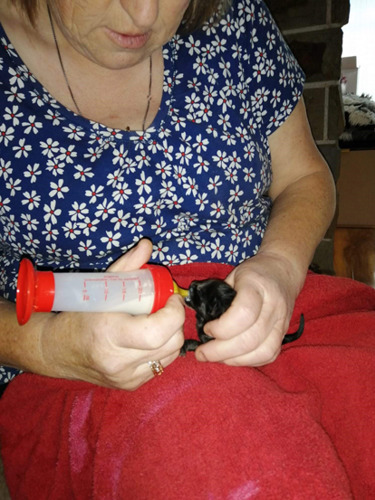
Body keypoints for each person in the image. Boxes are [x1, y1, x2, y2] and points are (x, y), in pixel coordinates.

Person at [1, 1, 373, 498]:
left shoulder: (232, 18)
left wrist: (280, 267)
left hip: (272, 308)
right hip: (81, 364)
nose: (144, 14)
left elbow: (305, 177)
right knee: (237, 463)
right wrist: (48, 345)